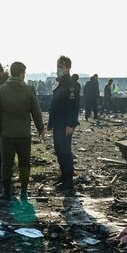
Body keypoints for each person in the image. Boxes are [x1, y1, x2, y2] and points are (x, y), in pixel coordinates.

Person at [0, 61, 45, 199]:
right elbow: (36, 111)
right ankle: (24, 190)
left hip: (7, 134)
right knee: (24, 163)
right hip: (24, 134)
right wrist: (40, 128)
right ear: (21, 74)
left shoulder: (1, 90)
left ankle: (6, 190)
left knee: (6, 163)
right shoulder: (29, 90)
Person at [48, 55, 80, 191]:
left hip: (64, 124)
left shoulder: (70, 85)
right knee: (59, 150)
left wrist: (71, 124)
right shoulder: (61, 83)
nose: (58, 69)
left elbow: (73, 106)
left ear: (67, 68)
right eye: (57, 66)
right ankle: (63, 175)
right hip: (57, 123)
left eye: (61, 66)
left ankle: (68, 180)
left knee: (65, 151)